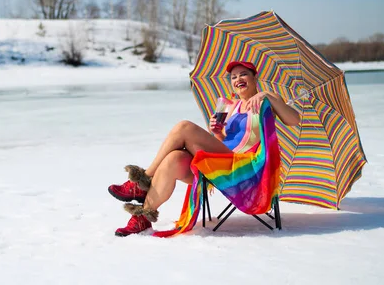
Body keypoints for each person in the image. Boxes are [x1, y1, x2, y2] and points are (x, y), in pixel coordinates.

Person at [108, 61, 301, 236]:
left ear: (254, 77)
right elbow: (224, 141)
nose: (238, 79)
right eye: (233, 77)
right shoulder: (231, 106)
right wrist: (217, 133)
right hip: (222, 163)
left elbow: (294, 119)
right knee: (174, 159)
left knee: (184, 127)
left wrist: (267, 96)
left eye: (243, 74)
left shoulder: (266, 99)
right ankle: (141, 218)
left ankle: (142, 180)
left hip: (245, 167)